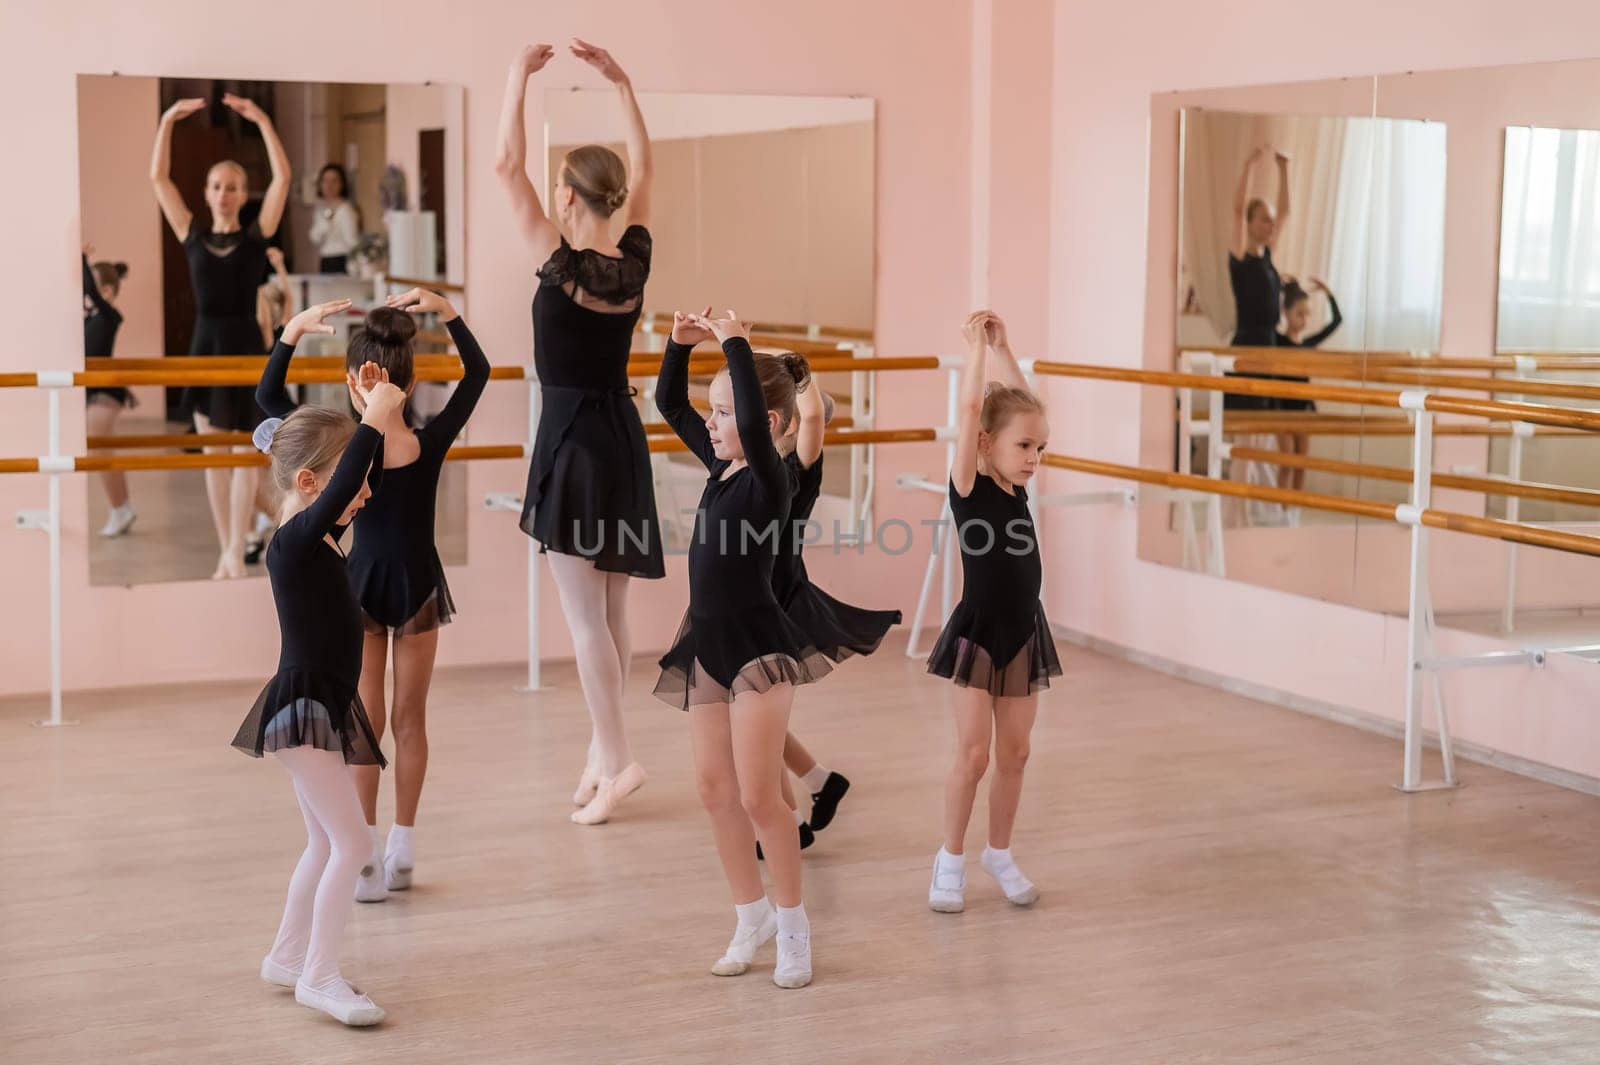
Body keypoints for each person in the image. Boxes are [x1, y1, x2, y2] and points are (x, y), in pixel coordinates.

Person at [257, 288, 489, 902]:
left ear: (353, 381)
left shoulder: (342, 451)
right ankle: (396, 847)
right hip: (415, 586)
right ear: (409, 386)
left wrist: (292, 332)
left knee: (368, 721)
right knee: (409, 719)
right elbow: (480, 372)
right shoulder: (425, 442)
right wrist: (447, 310)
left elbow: (268, 402)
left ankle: (367, 852)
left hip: (360, 585)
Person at [498, 40, 662, 824]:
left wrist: (518, 78)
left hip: (570, 442)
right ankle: (604, 752)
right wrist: (624, 86)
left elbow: (504, 166)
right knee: (613, 607)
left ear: (567, 197)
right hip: (621, 437)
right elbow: (648, 171)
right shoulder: (633, 263)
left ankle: (620, 756)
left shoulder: (557, 263)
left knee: (584, 615)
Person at [654, 309, 833, 989]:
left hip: (759, 648)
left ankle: (793, 926)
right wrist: (678, 343)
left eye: (726, 413)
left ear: (770, 425)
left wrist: (737, 343)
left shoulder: (770, 479)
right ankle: (749, 913)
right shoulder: (719, 466)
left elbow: (754, 431)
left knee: (762, 797)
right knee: (713, 786)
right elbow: (671, 401)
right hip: (706, 643)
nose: (713, 422)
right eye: (714, 412)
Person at [230, 368, 405, 1028]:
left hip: (317, 710)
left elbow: (368, 476)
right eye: (349, 486)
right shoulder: (295, 542)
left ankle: (287, 955)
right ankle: (320, 975)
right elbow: (351, 475)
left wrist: (373, 416)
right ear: (311, 485)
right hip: (302, 713)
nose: (362, 495)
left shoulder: (325, 535)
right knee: (355, 844)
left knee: (323, 843)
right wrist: (373, 418)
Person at [925, 310, 1061, 915]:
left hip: (1024, 632)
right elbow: (969, 414)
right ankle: (949, 860)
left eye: (1039, 448)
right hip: (978, 634)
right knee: (974, 754)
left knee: (1016, 754)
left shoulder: (1019, 489)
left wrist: (1007, 348)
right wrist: (976, 349)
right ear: (987, 444)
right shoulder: (969, 486)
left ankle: (998, 853)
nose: (1033, 457)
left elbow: (1027, 403)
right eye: (1023, 446)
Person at [150, 92, 289, 579]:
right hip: (205, 351)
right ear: (207, 192)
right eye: (217, 185)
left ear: (242, 193)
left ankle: (235, 548)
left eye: (232, 186)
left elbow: (283, 179)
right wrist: (167, 121)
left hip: (247, 351)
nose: (224, 192)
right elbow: (159, 179)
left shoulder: (257, 236)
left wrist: (264, 123)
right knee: (214, 458)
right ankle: (226, 549)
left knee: (243, 459)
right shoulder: (189, 232)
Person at [758, 381, 899, 858]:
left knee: (755, 723)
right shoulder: (756, 461)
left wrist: (801, 383)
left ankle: (791, 819)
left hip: (774, 600)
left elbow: (811, 420)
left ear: (791, 423)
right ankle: (818, 785)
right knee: (755, 721)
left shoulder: (798, 470)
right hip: (750, 596)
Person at [81, 246, 136, 537]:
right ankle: (121, 507)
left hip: (107, 391)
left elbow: (90, 290)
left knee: (98, 449)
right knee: (102, 449)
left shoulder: (109, 315)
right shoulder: (90, 319)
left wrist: (82, 261)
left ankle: (120, 508)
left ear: (107, 291)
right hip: (95, 391)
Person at [1270, 277, 1344, 489]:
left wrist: (1328, 293)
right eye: (1298, 314)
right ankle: (1281, 511)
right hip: (1281, 410)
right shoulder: (1275, 341)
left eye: (1307, 314)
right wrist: (1275, 286)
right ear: (1286, 312)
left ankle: (1293, 513)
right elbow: (1265, 316)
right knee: (1286, 464)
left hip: (1304, 409)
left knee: (1301, 464)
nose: (1303, 319)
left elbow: (1337, 321)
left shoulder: (1308, 344)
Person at [310, 163, 360, 274]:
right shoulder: (320, 209)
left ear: (341, 184)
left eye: (334, 181)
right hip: (326, 260)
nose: (329, 186)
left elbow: (352, 241)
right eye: (325, 181)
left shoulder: (346, 209)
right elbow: (315, 238)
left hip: (342, 260)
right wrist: (327, 220)